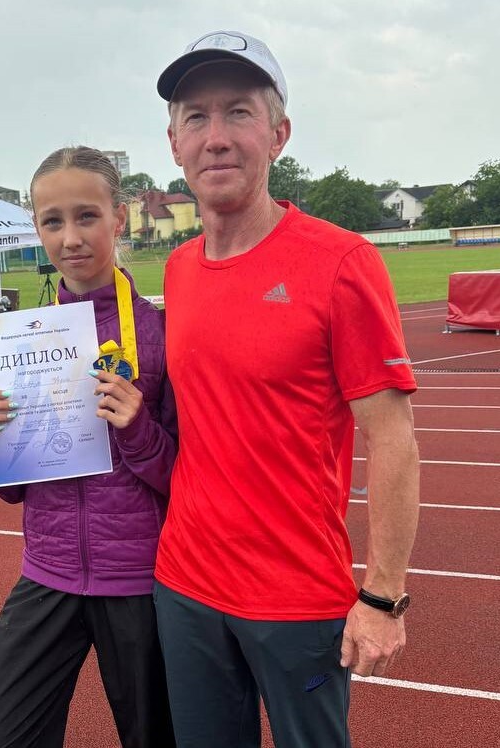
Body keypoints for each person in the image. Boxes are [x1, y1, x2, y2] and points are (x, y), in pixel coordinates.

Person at [151, 31, 421, 747]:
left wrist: (383, 596)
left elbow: (392, 437)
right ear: (174, 143)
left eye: (239, 112)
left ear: (278, 134)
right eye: (196, 117)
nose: (216, 136)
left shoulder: (340, 262)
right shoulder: (178, 270)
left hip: (297, 597)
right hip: (184, 585)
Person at [0, 146, 177, 748]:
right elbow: (15, 486)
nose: (70, 238)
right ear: (37, 228)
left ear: (119, 218)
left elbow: (189, 478)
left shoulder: (160, 335)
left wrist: (138, 429)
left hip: (140, 582)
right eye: (53, 221)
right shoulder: (20, 341)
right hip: (48, 575)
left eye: (87, 216)